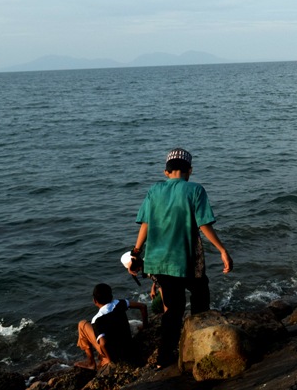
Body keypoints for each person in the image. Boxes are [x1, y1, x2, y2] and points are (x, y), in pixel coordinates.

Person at [128, 148, 233, 368]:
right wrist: (222, 250)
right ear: (190, 171)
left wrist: (136, 254)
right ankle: (198, 345)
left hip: (158, 261)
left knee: (172, 311)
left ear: (166, 172)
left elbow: (145, 224)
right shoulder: (195, 190)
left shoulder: (154, 190)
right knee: (200, 296)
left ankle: (164, 358)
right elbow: (204, 224)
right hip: (186, 259)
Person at [75, 283, 148, 370]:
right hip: (128, 346)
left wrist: (110, 361)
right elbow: (143, 306)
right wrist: (145, 326)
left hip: (114, 354)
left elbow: (103, 343)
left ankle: (91, 363)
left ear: (95, 301)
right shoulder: (120, 303)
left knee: (82, 324)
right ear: (111, 296)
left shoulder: (97, 319)